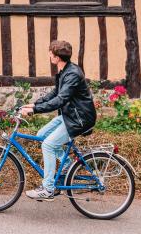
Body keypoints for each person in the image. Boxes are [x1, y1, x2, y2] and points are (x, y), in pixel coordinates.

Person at [19, 40, 97, 201]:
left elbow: (61, 99)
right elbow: (55, 93)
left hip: (79, 119)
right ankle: (67, 163)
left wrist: (34, 110)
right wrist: (34, 104)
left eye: (51, 53)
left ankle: (48, 188)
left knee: (48, 145)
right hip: (70, 115)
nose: (49, 55)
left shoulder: (72, 74)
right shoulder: (65, 71)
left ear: (57, 57)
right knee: (42, 135)